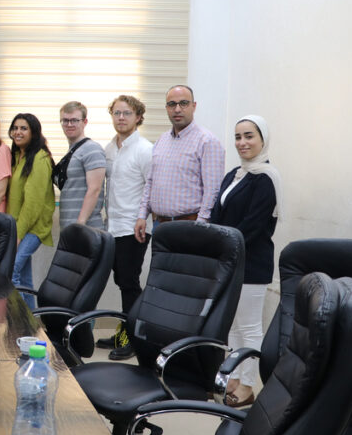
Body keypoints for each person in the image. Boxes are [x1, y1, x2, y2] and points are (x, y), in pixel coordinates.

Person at [210, 115, 281, 408]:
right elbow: (217, 215)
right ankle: (234, 378)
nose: (242, 142)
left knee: (249, 326)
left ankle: (248, 386)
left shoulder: (266, 178)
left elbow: (252, 226)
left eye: (249, 136)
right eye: (238, 137)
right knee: (233, 326)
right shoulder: (234, 175)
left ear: (263, 139)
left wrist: (225, 248)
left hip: (251, 262)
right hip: (229, 260)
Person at [98, 96, 153, 360]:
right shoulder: (109, 148)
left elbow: (151, 188)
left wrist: (142, 218)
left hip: (135, 227)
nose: (121, 118)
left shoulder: (145, 149)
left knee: (129, 282)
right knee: (122, 282)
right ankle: (123, 333)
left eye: (127, 113)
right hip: (113, 226)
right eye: (117, 113)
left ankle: (133, 339)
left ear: (138, 117)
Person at [135, 85, 225, 242]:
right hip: (159, 225)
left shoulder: (207, 141)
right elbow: (150, 182)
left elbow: (213, 190)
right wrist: (142, 215)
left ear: (193, 106)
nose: (177, 109)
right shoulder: (162, 140)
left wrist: (201, 225)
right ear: (166, 108)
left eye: (183, 103)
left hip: (190, 226)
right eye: (172, 104)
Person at [6, 114, 55, 307]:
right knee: (24, 280)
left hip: (32, 228)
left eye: (24, 128)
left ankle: (19, 320)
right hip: (18, 226)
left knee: (11, 271)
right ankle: (32, 320)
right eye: (15, 128)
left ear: (34, 132)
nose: (18, 132)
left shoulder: (40, 158)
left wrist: (18, 235)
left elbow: (33, 203)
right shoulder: (17, 156)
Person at [55, 101, 106, 230]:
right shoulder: (73, 152)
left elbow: (94, 189)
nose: (69, 124)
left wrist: (80, 224)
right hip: (69, 228)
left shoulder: (92, 149)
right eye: (65, 120)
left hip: (86, 229)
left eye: (74, 120)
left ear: (85, 122)